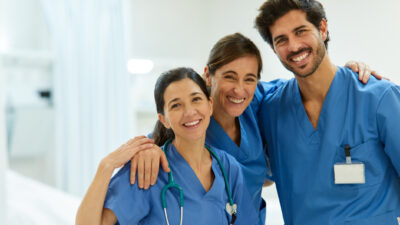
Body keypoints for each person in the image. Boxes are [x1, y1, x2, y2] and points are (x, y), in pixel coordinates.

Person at [128, 33, 380, 225]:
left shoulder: (255, 101)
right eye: (229, 76)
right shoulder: (191, 125)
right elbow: (165, 139)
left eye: (249, 78)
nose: (240, 89)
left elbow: (312, 86)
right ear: (208, 75)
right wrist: (148, 150)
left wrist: (347, 75)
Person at [254, 0, 400, 224]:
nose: (293, 47)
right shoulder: (270, 109)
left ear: (322, 29)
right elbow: (256, 173)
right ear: (274, 49)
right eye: (281, 40)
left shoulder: (379, 98)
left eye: (300, 31)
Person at [75, 67, 257, 225]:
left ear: (209, 105)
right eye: (176, 105)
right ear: (164, 120)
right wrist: (105, 166)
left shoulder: (228, 168)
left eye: (196, 99)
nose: (189, 112)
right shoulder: (148, 169)